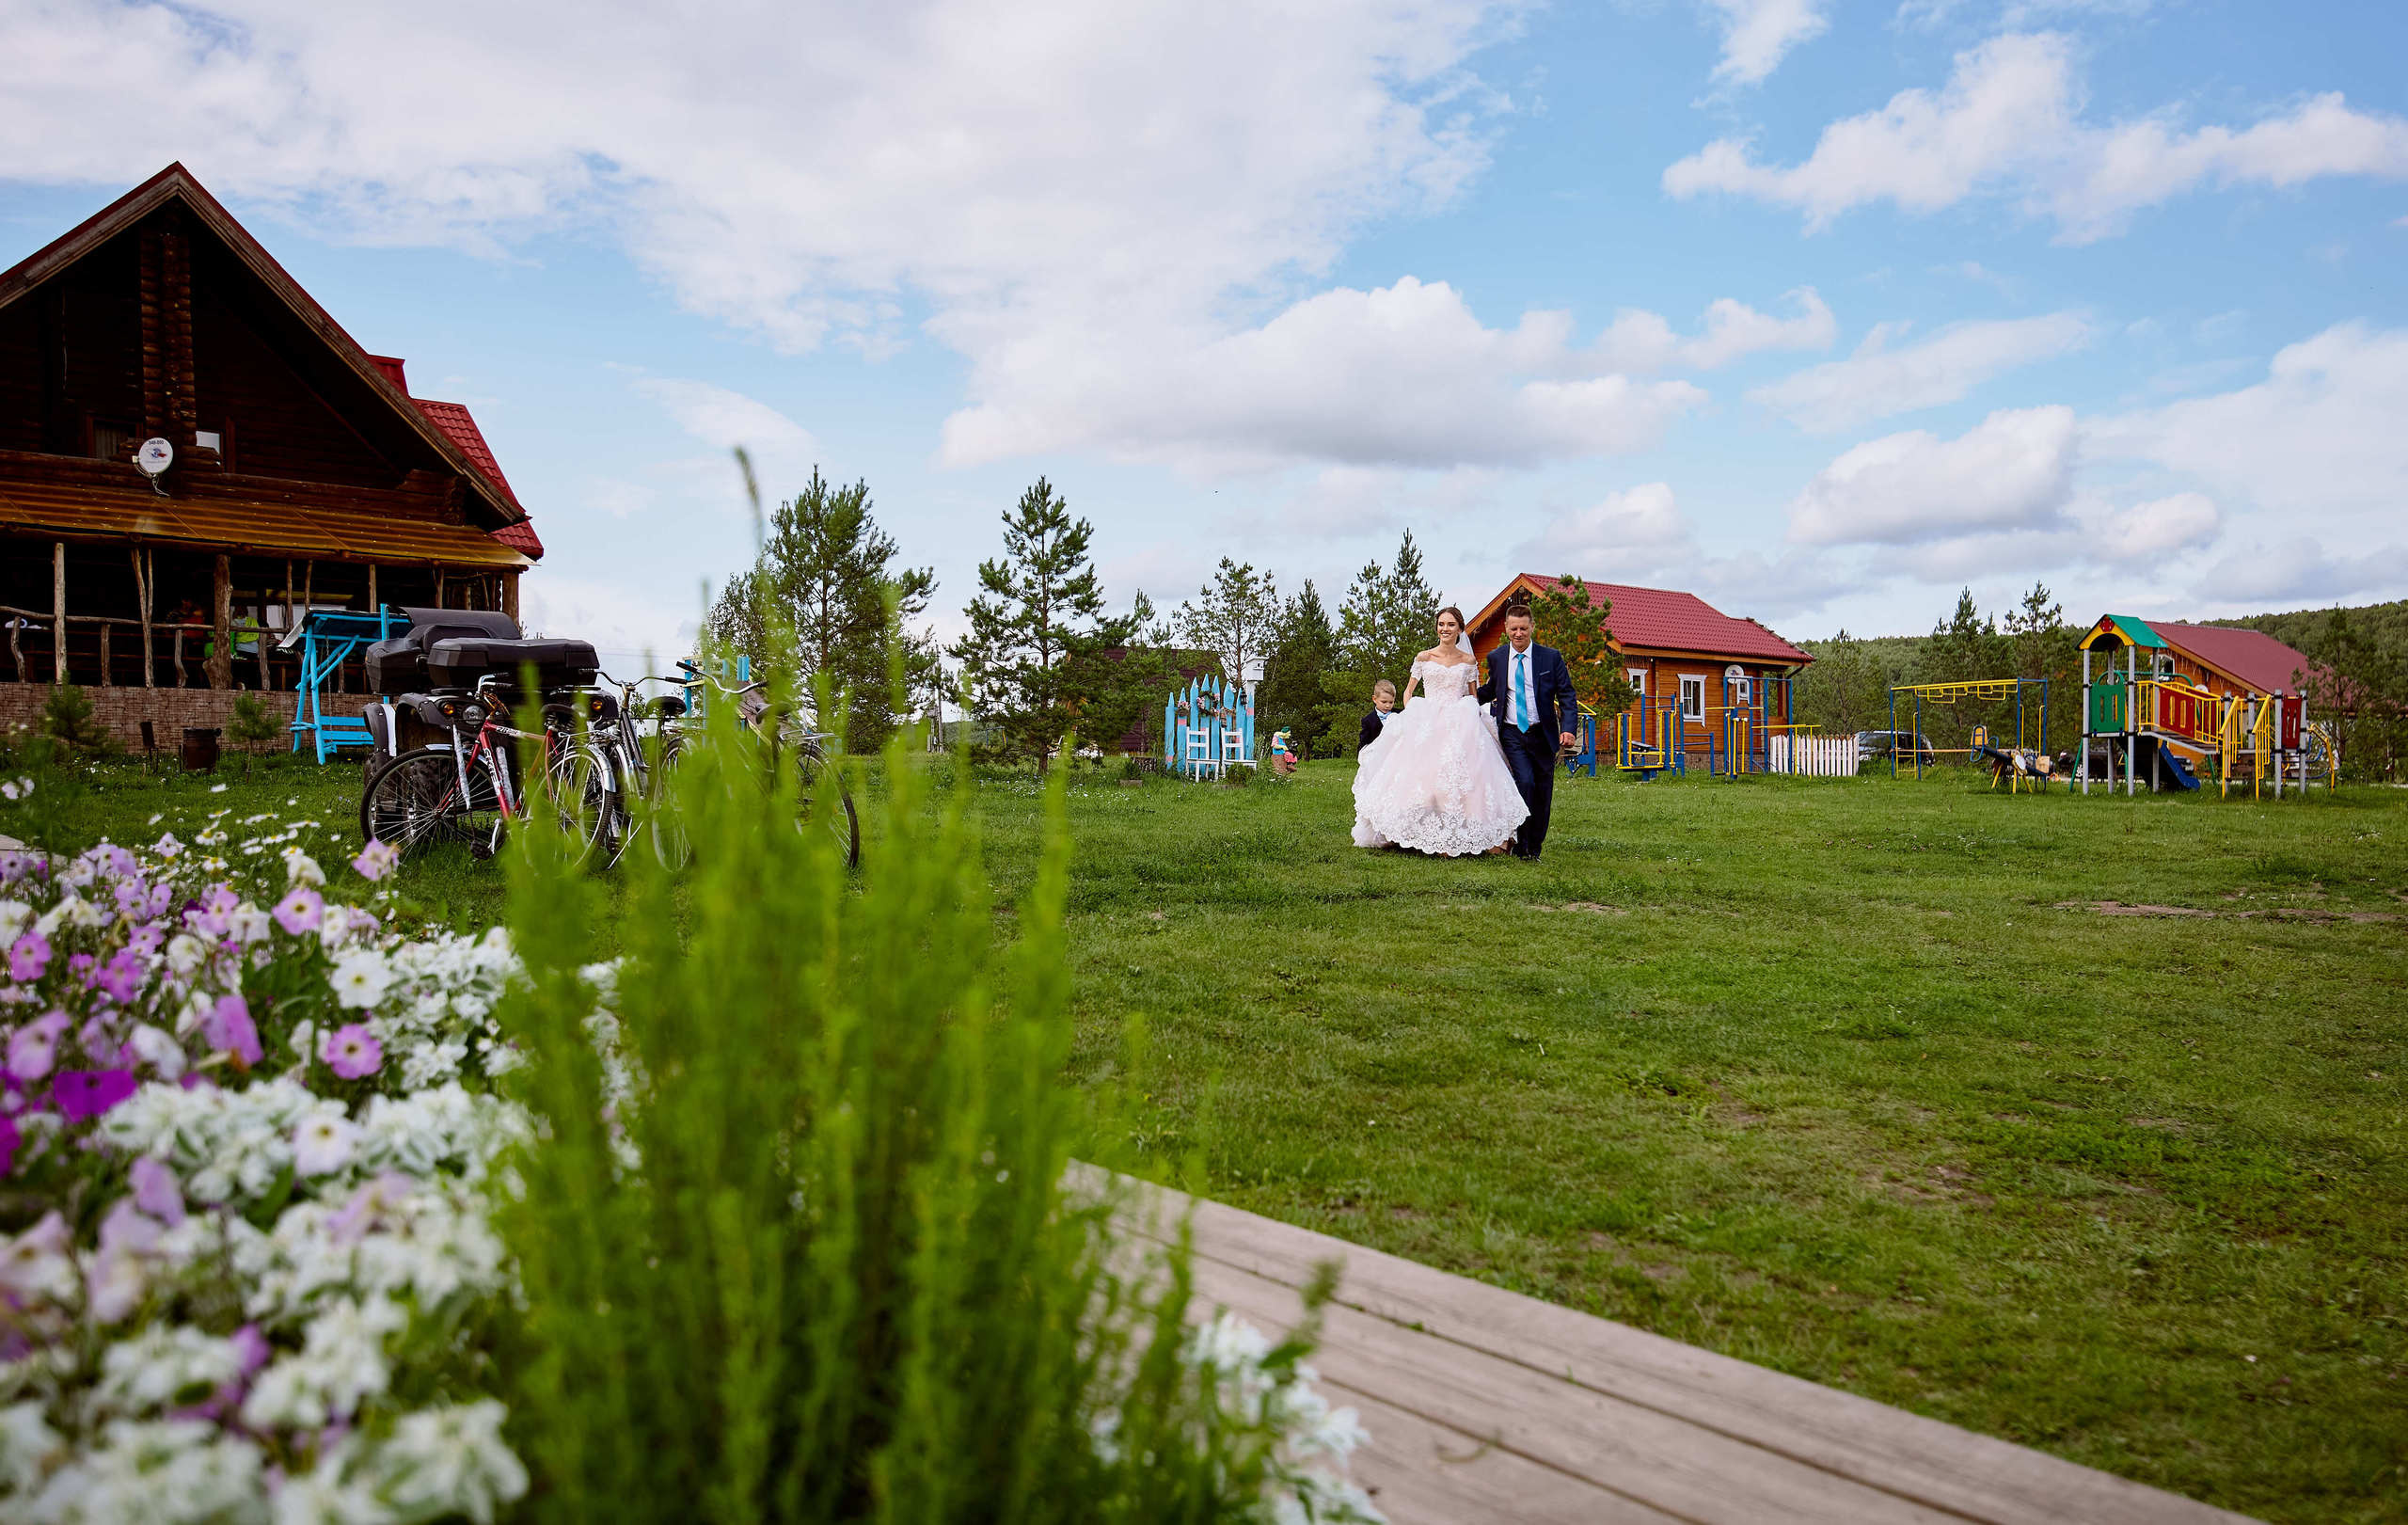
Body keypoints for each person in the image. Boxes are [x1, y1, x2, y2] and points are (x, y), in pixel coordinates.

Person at [1351, 608, 1529, 855]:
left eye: (1451, 625)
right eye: (1441, 624)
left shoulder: (1467, 661)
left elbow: (1473, 695)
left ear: (1459, 629)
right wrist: (1412, 712)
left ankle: (1465, 833)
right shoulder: (1424, 657)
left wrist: (1472, 715)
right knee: (1421, 774)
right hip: (1428, 717)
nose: (1445, 629)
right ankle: (1421, 831)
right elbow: (1409, 691)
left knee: (1465, 776)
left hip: (1459, 719)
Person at [1476, 603, 1580, 860]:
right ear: (1506, 629)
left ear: (1532, 627)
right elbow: (1490, 691)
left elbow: (1566, 695)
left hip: (1543, 734)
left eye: (1523, 628)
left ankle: (1534, 848)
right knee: (1524, 782)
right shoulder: (1497, 658)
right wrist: (1460, 701)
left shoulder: (1550, 658)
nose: (1518, 633)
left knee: (1543, 791)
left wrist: (1568, 729)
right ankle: (1521, 845)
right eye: (1514, 629)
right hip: (1512, 732)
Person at [1358, 678, 1397, 754]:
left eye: (1391, 702)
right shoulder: (1368, 721)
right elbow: (1363, 743)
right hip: (1378, 757)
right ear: (1374, 699)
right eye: (1384, 702)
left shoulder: (1400, 714)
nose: (1388, 706)